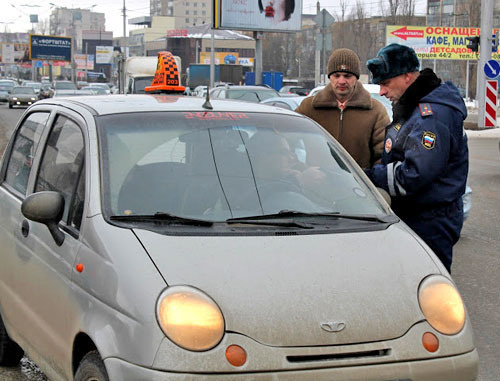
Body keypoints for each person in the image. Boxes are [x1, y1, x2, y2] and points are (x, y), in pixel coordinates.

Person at [365, 43, 468, 273]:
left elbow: (415, 174)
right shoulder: (414, 108)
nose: (381, 91)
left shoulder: (432, 115)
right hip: (418, 217)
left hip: (430, 221)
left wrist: (370, 177)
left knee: (427, 291)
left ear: (407, 77)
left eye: (385, 83)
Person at [295, 48, 390, 169]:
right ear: (330, 77)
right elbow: (285, 140)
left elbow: (383, 155)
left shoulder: (375, 111)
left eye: (347, 76)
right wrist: (300, 171)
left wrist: (370, 180)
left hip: (357, 186)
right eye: (336, 75)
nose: (341, 81)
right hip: (316, 185)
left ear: (356, 77)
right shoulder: (309, 108)